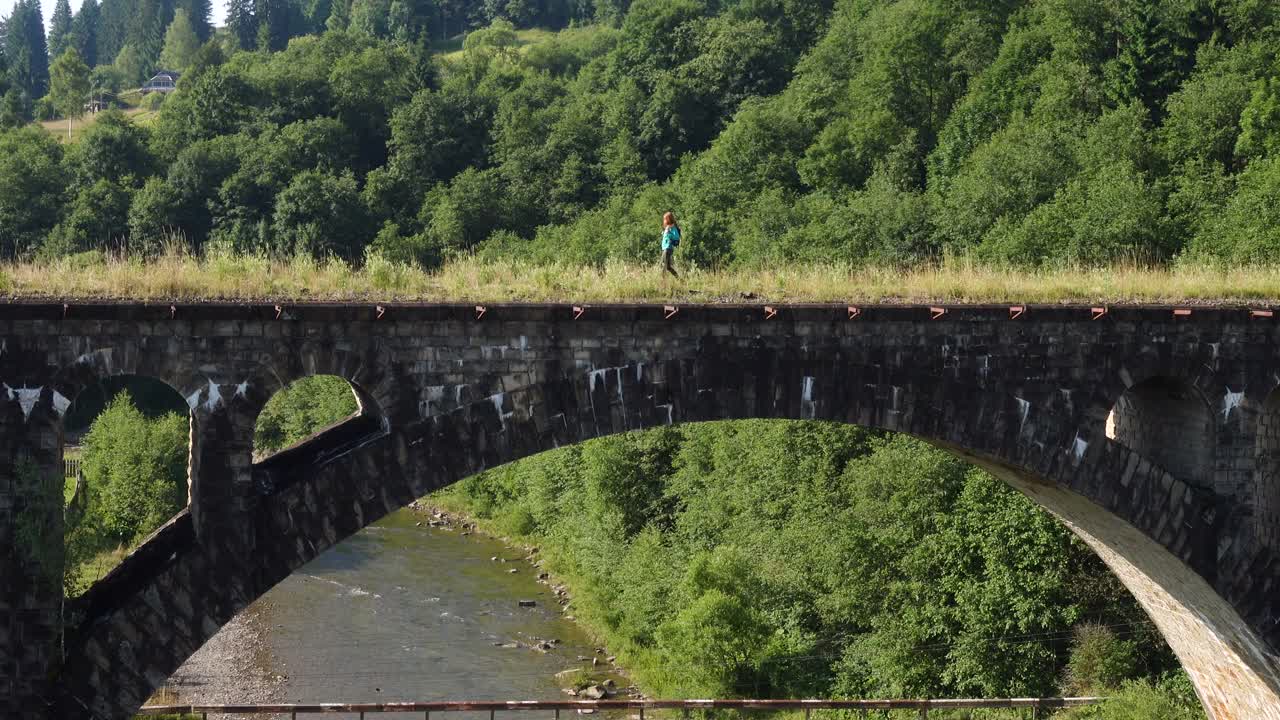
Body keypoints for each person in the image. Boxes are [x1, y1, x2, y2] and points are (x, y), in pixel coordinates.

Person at [661, 212, 681, 277]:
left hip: (668, 248)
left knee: (664, 265)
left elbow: (677, 237)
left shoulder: (673, 228)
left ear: (669, 219)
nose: (664, 220)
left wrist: (670, 237)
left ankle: (663, 282)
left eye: (665, 219)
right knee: (668, 267)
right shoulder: (667, 227)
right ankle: (680, 279)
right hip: (665, 248)